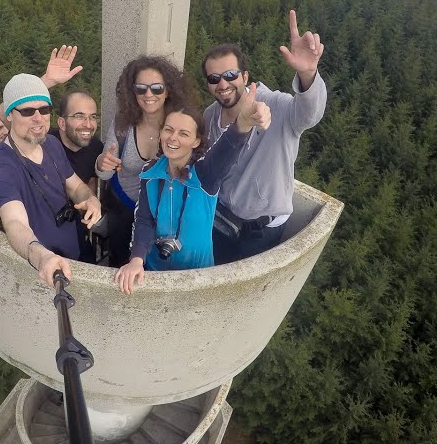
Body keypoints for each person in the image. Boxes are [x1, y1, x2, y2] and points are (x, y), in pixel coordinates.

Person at [113, 87, 271, 294]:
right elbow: (144, 220)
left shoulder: (205, 174)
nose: (173, 138)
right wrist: (136, 260)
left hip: (196, 279)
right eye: (168, 130)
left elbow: (225, 151)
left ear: (196, 141)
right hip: (154, 274)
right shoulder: (150, 173)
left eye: (184, 134)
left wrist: (242, 123)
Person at [202, 9, 327, 263]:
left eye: (230, 75)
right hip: (222, 219)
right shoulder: (210, 116)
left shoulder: (276, 106)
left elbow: (308, 115)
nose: (223, 84)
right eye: (214, 78)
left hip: (262, 230)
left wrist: (307, 74)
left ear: (245, 76)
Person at [0, 73, 102, 287]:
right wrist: (41, 257)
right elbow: (14, 223)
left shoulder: (51, 143)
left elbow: (75, 186)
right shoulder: (2, 167)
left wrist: (90, 199)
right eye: (27, 111)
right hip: (48, 269)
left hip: (78, 245)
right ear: (9, 114)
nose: (38, 118)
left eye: (44, 109)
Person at [0, 45, 83, 229]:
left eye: (45, 110)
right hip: (1, 216)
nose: (4, 131)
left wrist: (43, 83)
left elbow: (16, 108)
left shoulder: (36, 140)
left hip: (44, 212)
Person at [95, 55, 194, 268]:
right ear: (132, 92)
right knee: (121, 265)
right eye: (141, 89)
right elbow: (105, 173)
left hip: (163, 211)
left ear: (168, 91)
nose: (149, 95)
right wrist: (102, 163)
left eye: (157, 88)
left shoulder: (180, 125)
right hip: (124, 207)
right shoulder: (123, 124)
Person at [47, 90, 105, 262]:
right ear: (62, 123)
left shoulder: (96, 148)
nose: (88, 124)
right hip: (43, 225)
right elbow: (5, 116)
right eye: (79, 116)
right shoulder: (45, 142)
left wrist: (90, 205)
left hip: (74, 224)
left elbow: (89, 183)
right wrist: (47, 81)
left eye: (93, 117)